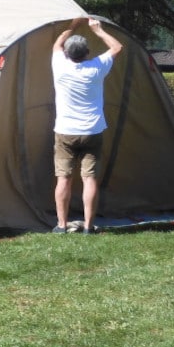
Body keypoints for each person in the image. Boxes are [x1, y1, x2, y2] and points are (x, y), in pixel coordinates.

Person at [51, 16, 123, 234]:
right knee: (89, 178)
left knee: (63, 178)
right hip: (92, 131)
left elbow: (57, 44)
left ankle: (62, 225)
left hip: (65, 132)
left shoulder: (60, 65)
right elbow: (117, 47)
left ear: (67, 53)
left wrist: (73, 25)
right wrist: (98, 30)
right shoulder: (97, 67)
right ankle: (89, 226)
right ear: (87, 53)